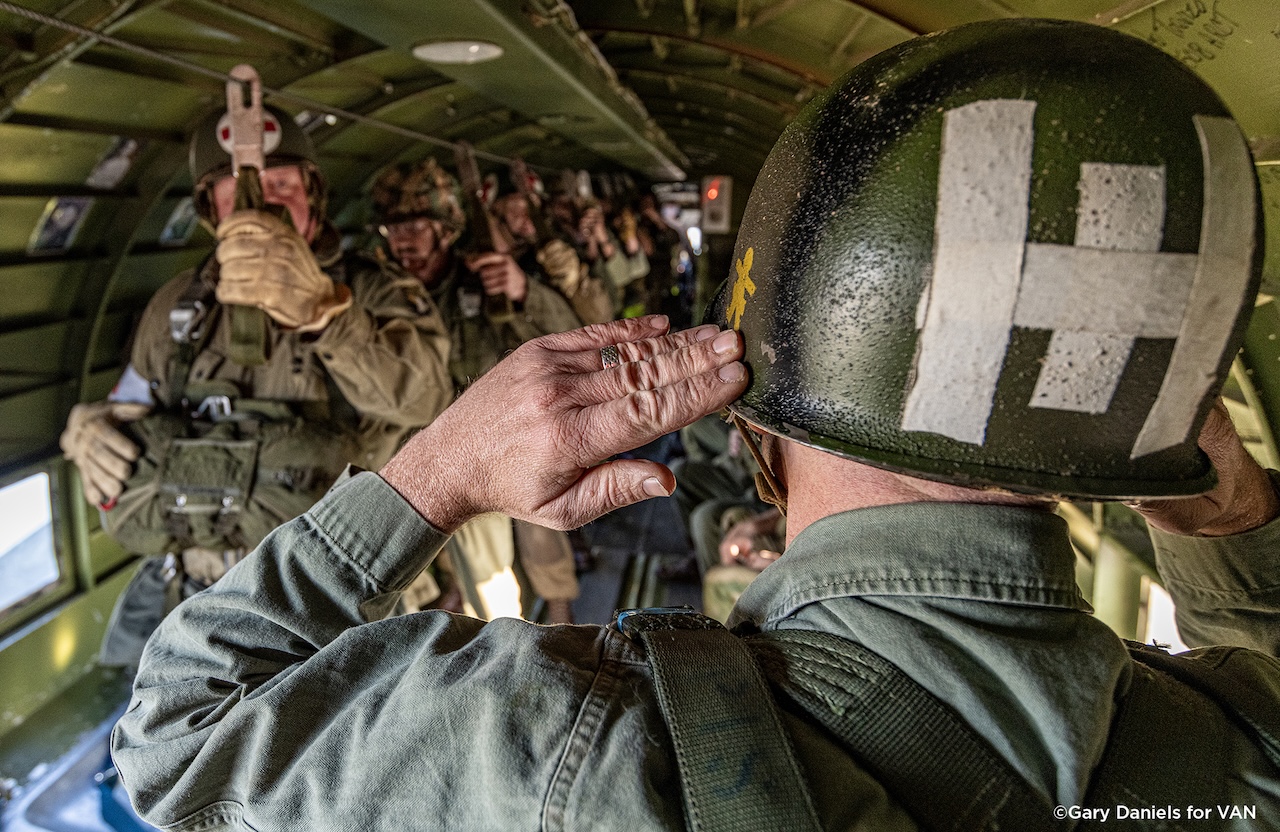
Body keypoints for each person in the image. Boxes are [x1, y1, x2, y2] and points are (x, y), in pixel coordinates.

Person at [113, 20, 1280, 830]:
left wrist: (440, 463)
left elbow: (179, 734)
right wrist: (1234, 539)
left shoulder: (569, 748)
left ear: (757, 426)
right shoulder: (1233, 749)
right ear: (1147, 439)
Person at [59, 104, 452, 662]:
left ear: (312, 193)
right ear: (208, 209)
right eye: (233, 189)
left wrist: (324, 312)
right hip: (199, 590)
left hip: (338, 593)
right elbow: (131, 404)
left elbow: (427, 398)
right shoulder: (176, 303)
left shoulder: (376, 291)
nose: (260, 201)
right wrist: (87, 426)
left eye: (281, 182)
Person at [371, 158, 585, 623]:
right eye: (393, 229)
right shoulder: (384, 289)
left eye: (416, 226)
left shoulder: (484, 276)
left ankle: (559, 604)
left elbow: (569, 334)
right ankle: (485, 619)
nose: (404, 240)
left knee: (538, 516)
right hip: (438, 438)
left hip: (506, 426)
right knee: (474, 558)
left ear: (445, 229)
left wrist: (523, 288)